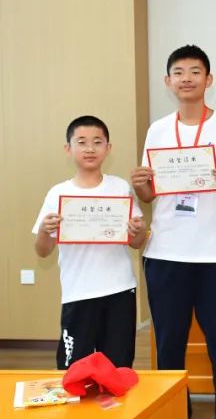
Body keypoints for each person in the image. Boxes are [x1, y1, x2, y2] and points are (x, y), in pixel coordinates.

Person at [130, 44, 216, 419]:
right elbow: (150, 194)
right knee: (169, 347)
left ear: (208, 79)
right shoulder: (158, 130)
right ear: (168, 82)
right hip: (166, 253)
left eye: (195, 71)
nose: (187, 78)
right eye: (179, 72)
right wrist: (140, 185)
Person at [33, 115, 147, 370]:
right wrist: (43, 231)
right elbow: (42, 251)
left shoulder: (120, 188)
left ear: (108, 147)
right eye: (82, 142)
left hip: (120, 290)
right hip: (79, 291)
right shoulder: (58, 193)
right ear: (68, 149)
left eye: (97, 142)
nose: (90, 149)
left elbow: (136, 242)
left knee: (118, 367)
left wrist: (139, 230)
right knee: (74, 369)